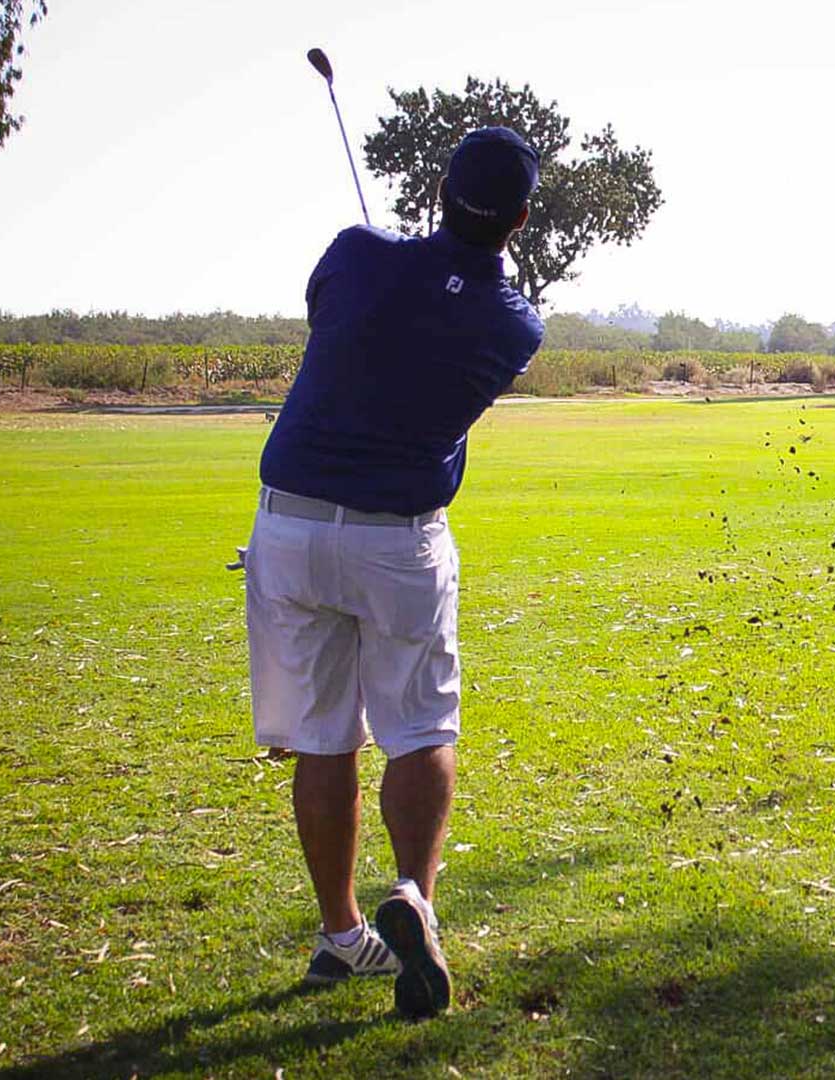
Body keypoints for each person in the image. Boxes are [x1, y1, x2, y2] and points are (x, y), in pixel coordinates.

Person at [245, 127, 545, 1018]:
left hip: (291, 521)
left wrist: (402, 274)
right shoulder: (514, 324)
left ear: (438, 188)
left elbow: (335, 320)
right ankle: (413, 897)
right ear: (521, 219)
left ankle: (342, 935)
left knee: (325, 734)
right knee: (419, 726)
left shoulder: (352, 253)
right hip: (399, 539)